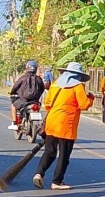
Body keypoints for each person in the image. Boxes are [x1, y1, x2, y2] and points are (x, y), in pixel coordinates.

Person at [33, 62, 94, 190]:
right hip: (66, 125)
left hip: (52, 122)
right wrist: (91, 98)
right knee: (64, 155)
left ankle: (39, 174)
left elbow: (47, 104)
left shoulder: (55, 84)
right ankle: (57, 181)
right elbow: (83, 105)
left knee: (49, 152)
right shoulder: (78, 86)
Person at [8, 60, 46, 130]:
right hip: (35, 102)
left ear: (27, 68)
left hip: (23, 101)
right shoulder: (39, 79)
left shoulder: (23, 78)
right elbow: (42, 89)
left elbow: (15, 87)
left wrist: (12, 93)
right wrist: (37, 96)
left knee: (13, 106)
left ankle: (14, 123)